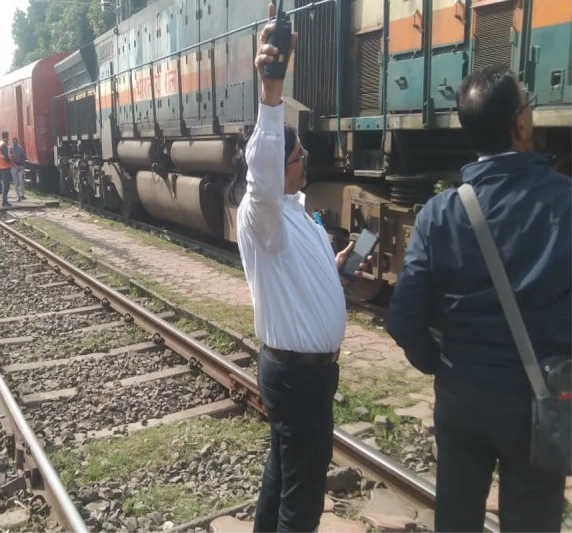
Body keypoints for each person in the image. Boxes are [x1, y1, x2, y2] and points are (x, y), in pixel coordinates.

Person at [386, 65, 570, 532]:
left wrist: (442, 364)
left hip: (462, 397)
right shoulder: (566, 203)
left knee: (457, 519)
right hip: (541, 399)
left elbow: (404, 317)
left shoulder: (440, 213)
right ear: (521, 123)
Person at [237, 6, 369, 531]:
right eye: (299, 159)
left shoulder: (295, 214)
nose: (305, 163)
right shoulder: (264, 211)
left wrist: (335, 270)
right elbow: (265, 170)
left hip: (308, 374)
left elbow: (302, 273)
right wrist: (271, 94)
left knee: (283, 473)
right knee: (304, 496)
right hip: (296, 375)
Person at [0, 131, 12, 207]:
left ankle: (5, 201)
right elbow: (6, 157)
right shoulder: (3, 145)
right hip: (5, 166)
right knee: (6, 185)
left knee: (5, 184)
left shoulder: (0, 143)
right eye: (8, 137)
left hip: (2, 166)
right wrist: (12, 161)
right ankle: (4, 202)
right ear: (6, 137)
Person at [9, 136, 27, 201]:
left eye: (16, 141)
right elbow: (10, 158)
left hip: (20, 166)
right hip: (14, 167)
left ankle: (22, 195)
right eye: (14, 141)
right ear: (12, 142)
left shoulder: (20, 148)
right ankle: (18, 196)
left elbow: (23, 157)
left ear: (17, 142)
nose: (15, 143)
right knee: (16, 182)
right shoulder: (10, 149)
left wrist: (22, 165)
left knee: (21, 181)